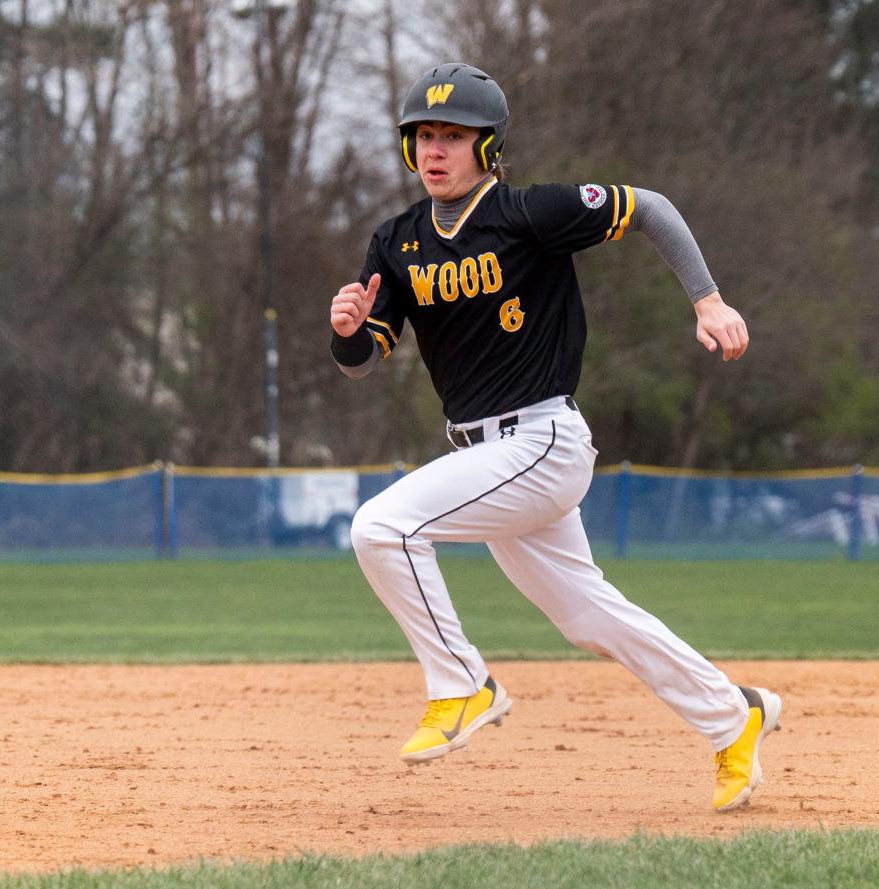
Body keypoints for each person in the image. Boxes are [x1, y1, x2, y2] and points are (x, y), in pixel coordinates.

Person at [329, 62, 781, 813]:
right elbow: (364, 358)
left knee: (382, 527)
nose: (436, 149)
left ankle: (464, 684)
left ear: (488, 147)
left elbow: (653, 208)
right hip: (486, 456)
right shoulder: (396, 241)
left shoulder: (528, 213)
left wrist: (708, 299)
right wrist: (347, 332)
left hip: (541, 440)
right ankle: (734, 716)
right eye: (423, 136)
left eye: (454, 135)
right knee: (587, 616)